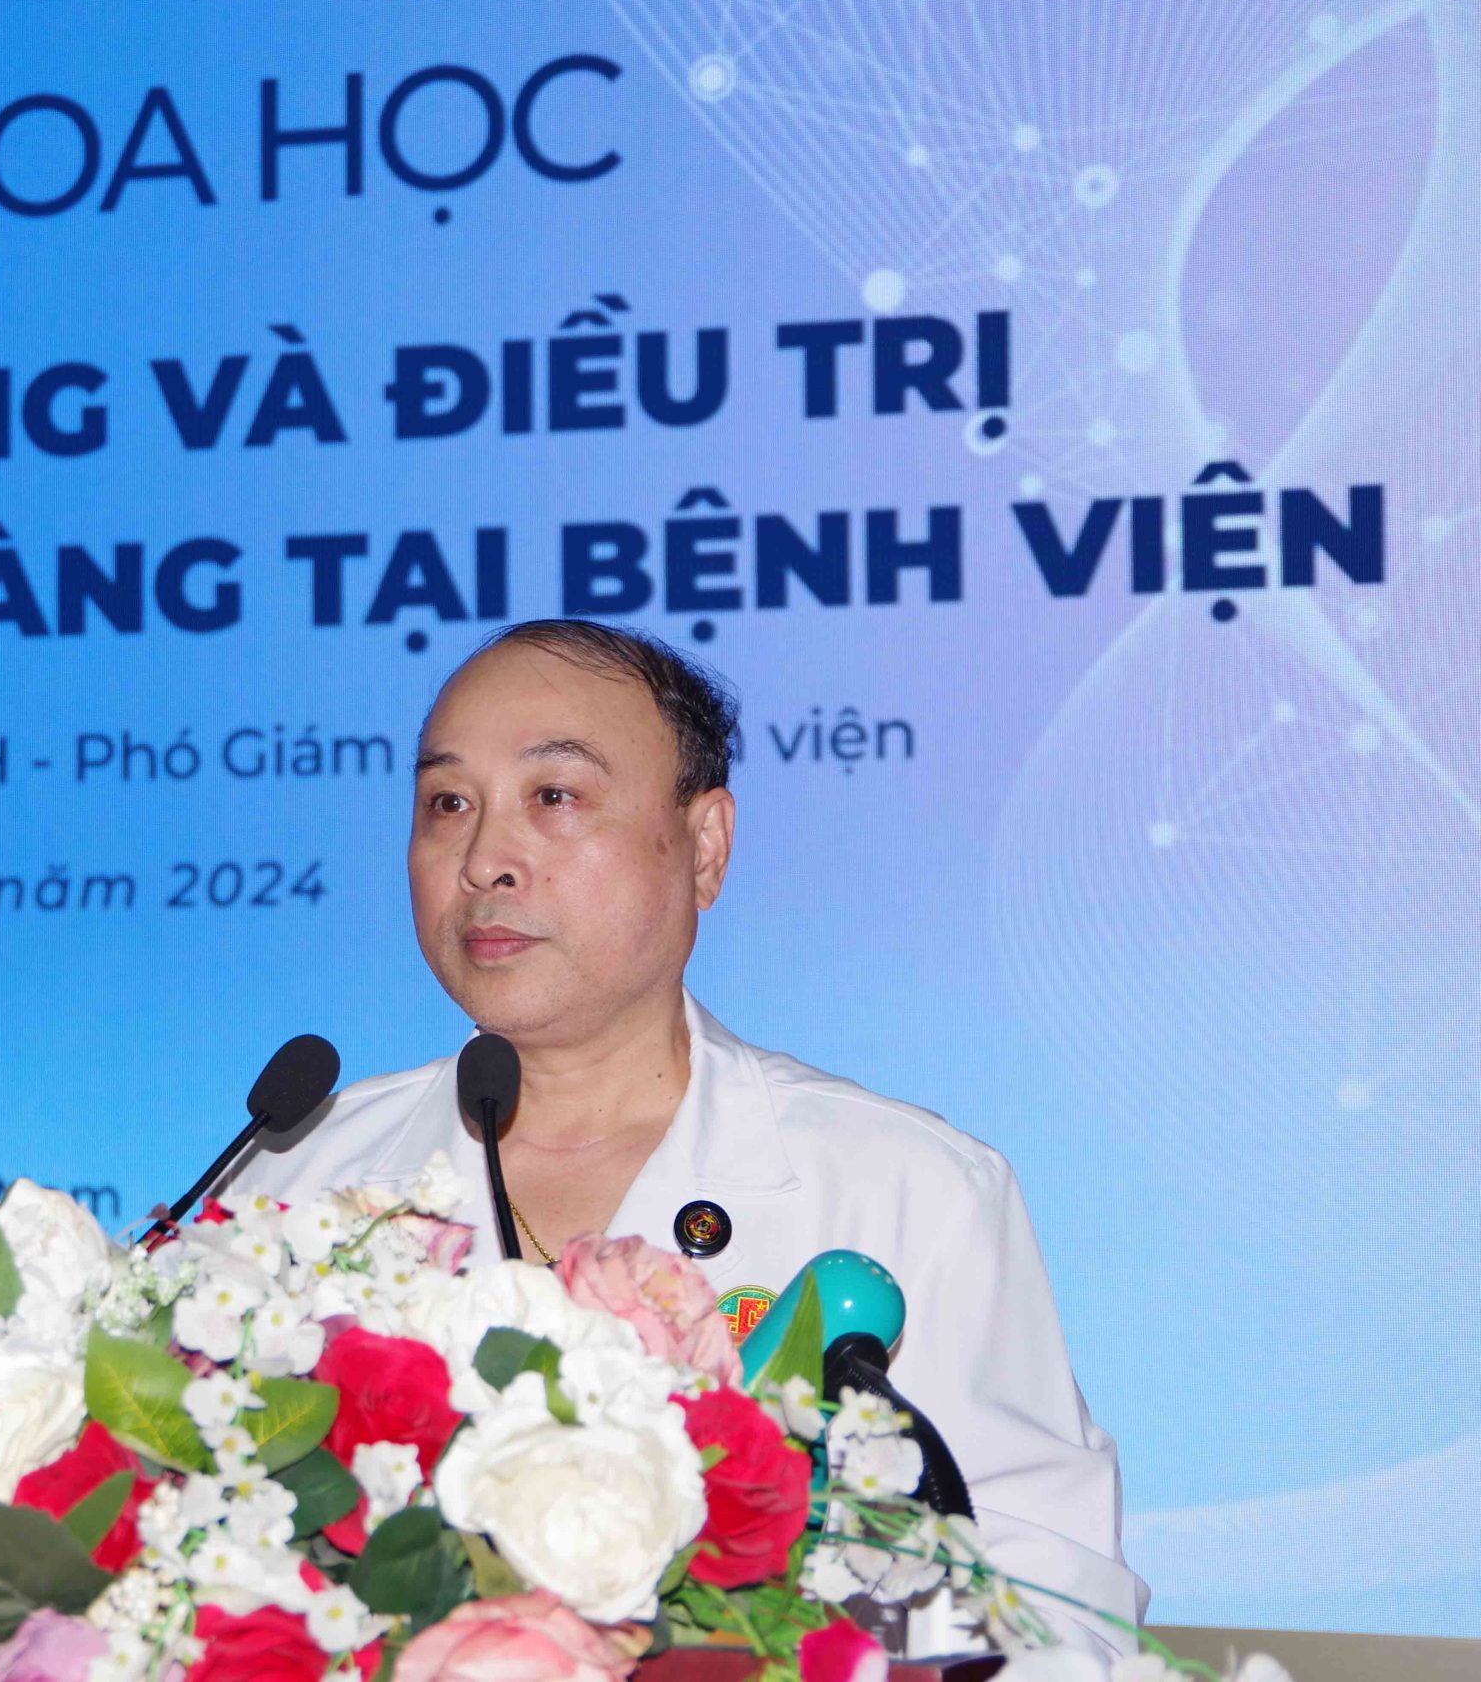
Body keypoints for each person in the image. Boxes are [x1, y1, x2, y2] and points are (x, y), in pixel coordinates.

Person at [232, 618, 1145, 1657]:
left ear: (705, 846)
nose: (484, 860)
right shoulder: (291, 1181)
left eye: (554, 796)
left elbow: (1054, 1612)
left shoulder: (903, 1189)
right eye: (448, 804)